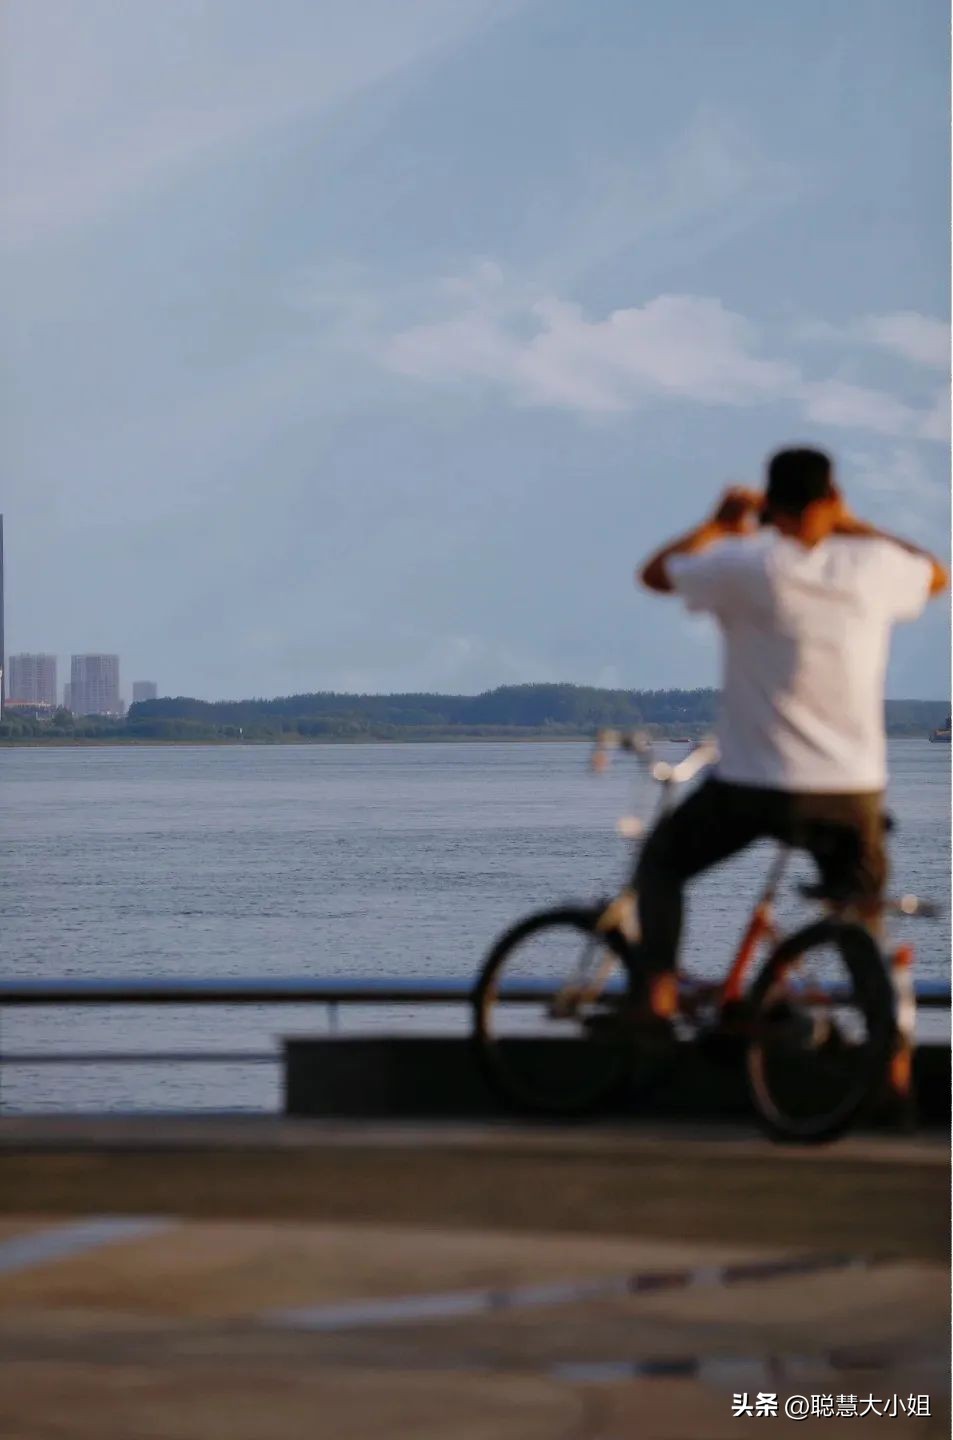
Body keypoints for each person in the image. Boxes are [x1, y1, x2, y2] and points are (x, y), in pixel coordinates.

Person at [623, 445, 947, 1019]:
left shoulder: (744, 565)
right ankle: (888, 1057)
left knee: (662, 865)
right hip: (850, 789)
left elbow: (654, 575)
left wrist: (718, 524)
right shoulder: (872, 568)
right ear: (830, 498)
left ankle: (657, 995)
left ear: (771, 506)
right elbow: (936, 574)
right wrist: (850, 522)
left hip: (753, 784)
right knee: (860, 924)